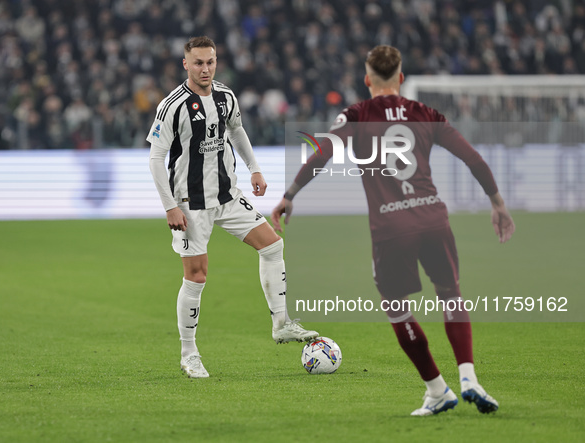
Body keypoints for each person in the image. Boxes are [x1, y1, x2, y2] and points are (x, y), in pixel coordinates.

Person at [272, 45, 515, 415]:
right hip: (433, 218)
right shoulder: (426, 114)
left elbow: (322, 153)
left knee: (398, 309)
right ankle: (469, 378)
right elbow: (473, 158)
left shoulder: (356, 115)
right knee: (451, 296)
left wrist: (290, 194)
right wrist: (497, 203)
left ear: (367, 79)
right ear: (401, 78)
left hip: (391, 226)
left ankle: (437, 390)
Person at [147, 36, 317, 379]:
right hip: (190, 203)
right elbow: (155, 157)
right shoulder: (173, 105)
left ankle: (281, 324)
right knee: (197, 276)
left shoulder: (226, 96)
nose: (205, 68)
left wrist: (254, 167)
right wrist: (170, 207)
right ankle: (188, 353)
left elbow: (236, 130)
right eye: (198, 63)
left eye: (210, 61)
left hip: (227, 195)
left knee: (272, 245)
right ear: (186, 64)